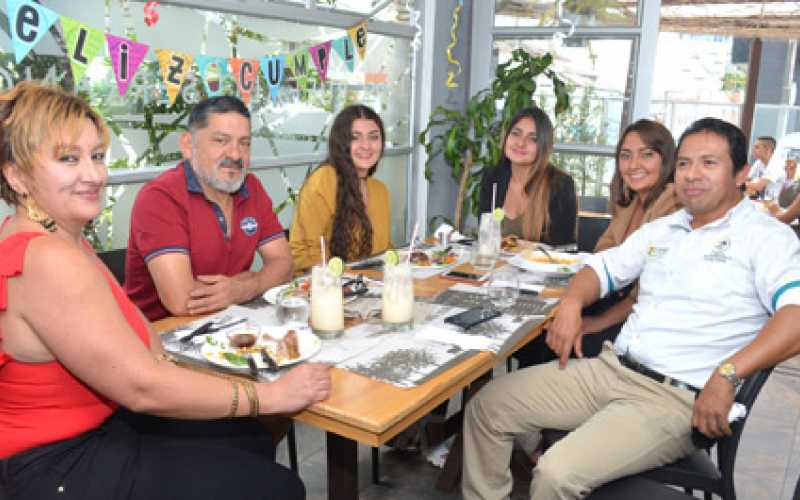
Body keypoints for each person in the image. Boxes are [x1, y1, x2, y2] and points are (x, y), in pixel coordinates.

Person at [0, 81, 331, 499]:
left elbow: (140, 337)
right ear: (17, 175)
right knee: (279, 487)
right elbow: (142, 387)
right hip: (55, 463)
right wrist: (271, 395)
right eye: (69, 159)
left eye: (98, 157)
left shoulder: (62, 236)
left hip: (99, 423)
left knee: (249, 438)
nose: (94, 175)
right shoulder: (47, 256)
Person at [462, 117, 800, 500]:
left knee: (556, 473)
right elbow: (600, 269)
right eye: (685, 163)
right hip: (612, 370)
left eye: (709, 163)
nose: (692, 174)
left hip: (674, 399)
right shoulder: (666, 228)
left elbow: (796, 315)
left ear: (741, 173)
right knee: (488, 406)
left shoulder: (766, 238)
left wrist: (727, 375)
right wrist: (572, 303)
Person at [515, 119, 680, 369]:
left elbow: (642, 295)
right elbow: (602, 256)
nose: (633, 165)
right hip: (614, 300)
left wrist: (593, 323)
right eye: (626, 156)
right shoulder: (631, 203)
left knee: (550, 337)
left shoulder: (673, 206)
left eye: (646, 155)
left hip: (640, 325)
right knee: (539, 323)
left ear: (666, 159)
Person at [125, 95, 292, 321]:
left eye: (244, 143)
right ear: (188, 145)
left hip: (230, 323)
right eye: (221, 140)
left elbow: (284, 264)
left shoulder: (251, 187)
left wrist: (243, 288)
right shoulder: (160, 197)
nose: (235, 154)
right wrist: (256, 280)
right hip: (159, 336)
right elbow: (182, 301)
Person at [289, 104, 391, 272]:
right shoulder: (322, 181)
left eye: (373, 137)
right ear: (341, 143)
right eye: (355, 137)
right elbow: (303, 253)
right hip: (323, 286)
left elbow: (384, 251)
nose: (366, 145)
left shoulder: (380, 190)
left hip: (371, 284)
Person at [478, 106, 576, 246]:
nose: (521, 143)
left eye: (533, 139)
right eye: (516, 133)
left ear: (544, 146)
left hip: (541, 266)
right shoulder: (492, 178)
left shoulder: (560, 185)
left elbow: (563, 248)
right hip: (495, 265)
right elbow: (485, 238)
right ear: (506, 137)